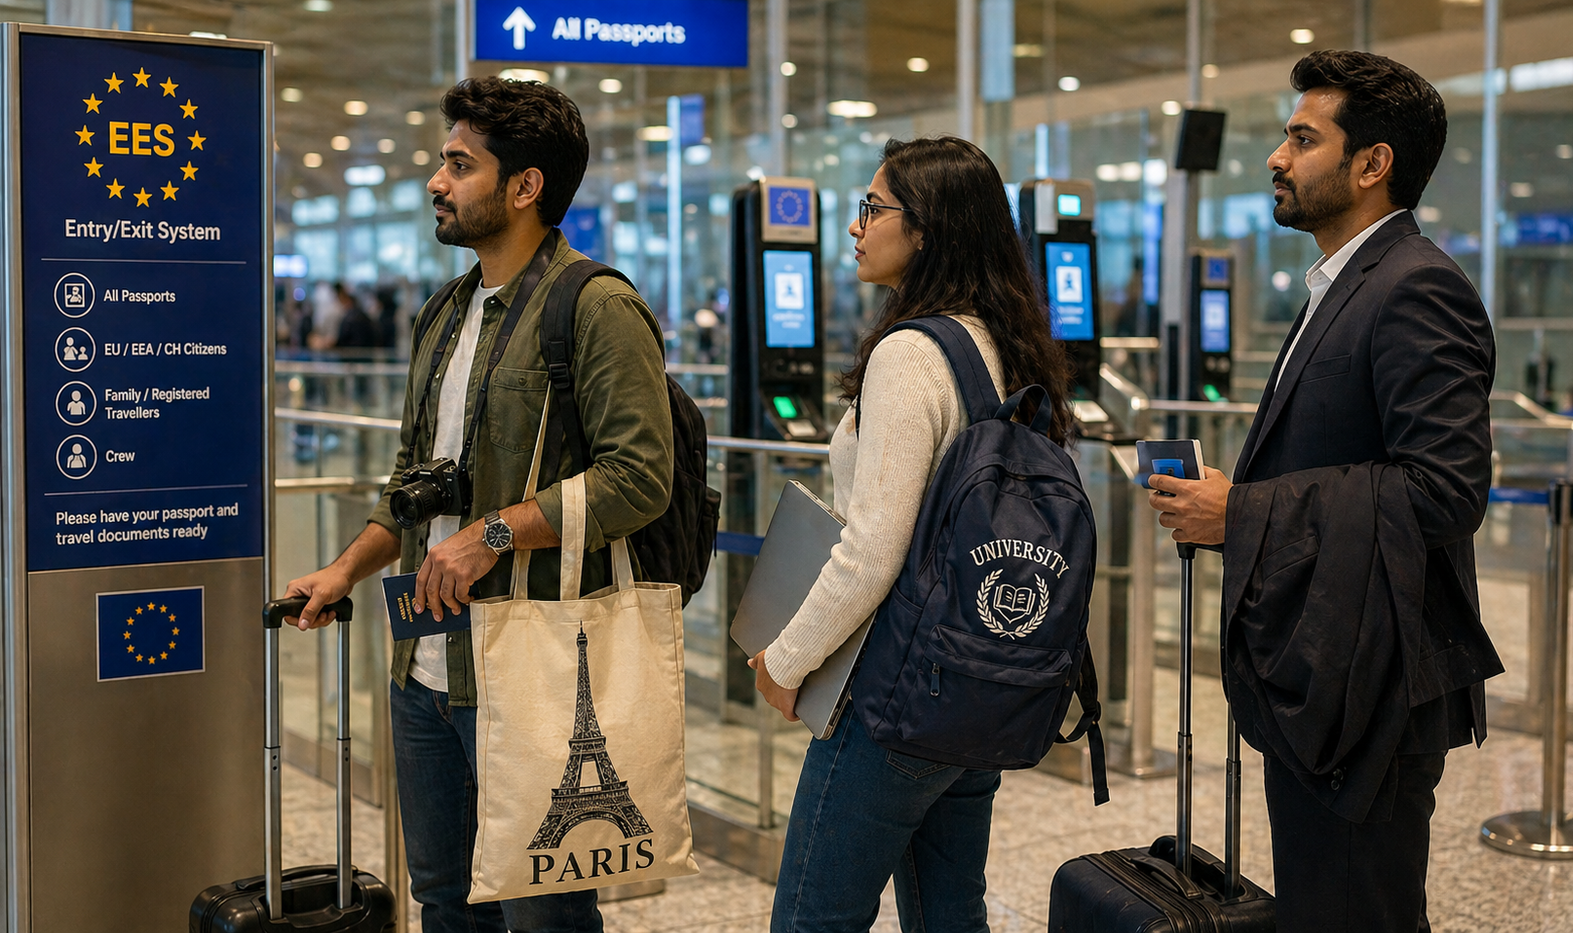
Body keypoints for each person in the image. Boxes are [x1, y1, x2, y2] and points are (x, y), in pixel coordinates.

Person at [284, 76, 672, 933]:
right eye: (442, 162)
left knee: (542, 911)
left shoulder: (596, 306)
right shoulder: (445, 313)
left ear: (525, 186)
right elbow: (411, 486)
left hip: (531, 660)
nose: (436, 181)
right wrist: (344, 570)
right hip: (423, 666)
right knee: (444, 899)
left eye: (459, 164)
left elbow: (641, 476)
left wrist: (494, 533)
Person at [1146, 50, 1502, 933]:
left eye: (1303, 138)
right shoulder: (1342, 285)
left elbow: (1446, 489)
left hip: (1372, 683)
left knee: (1357, 911)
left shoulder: (1416, 286)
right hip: (1327, 672)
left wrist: (1245, 511)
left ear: (1372, 164)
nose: (1276, 156)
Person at [749, 136, 1076, 933]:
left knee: (811, 917)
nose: (856, 227)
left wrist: (787, 660)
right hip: (975, 681)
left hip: (892, 690)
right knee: (947, 910)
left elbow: (872, 551)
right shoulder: (1003, 341)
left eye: (873, 208)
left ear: (926, 228)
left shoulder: (910, 351)